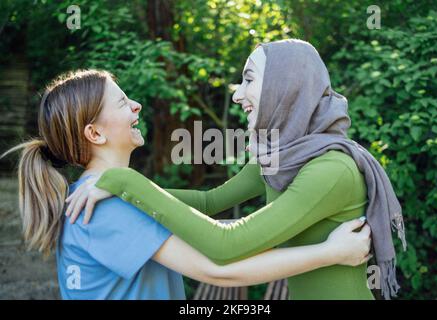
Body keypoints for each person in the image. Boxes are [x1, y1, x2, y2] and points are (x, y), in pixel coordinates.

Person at [67, 39, 406, 300]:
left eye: (248, 80)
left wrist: (123, 181)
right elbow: (207, 202)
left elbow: (227, 246)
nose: (237, 94)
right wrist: (119, 195)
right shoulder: (277, 157)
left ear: (283, 87)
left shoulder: (332, 170)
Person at [2, 69, 371, 300]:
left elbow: (207, 207)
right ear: (95, 132)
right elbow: (218, 270)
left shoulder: (111, 191)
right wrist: (332, 252)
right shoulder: (110, 204)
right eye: (122, 102)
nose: (137, 106)